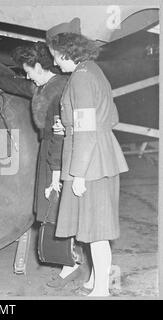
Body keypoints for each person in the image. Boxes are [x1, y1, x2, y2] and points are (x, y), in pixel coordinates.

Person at [0, 42, 84, 287]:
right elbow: (22, 86)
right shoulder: (45, 85)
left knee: (55, 206)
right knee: (51, 207)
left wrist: (55, 173)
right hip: (50, 148)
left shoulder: (60, 90)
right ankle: (70, 259)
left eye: (29, 70)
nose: (27, 75)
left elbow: (60, 134)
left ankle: (70, 265)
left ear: (40, 66)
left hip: (59, 151)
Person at [46, 18, 129, 296]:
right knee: (93, 228)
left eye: (57, 57)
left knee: (96, 230)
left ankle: (102, 290)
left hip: (90, 164)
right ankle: (95, 280)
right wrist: (68, 126)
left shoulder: (80, 78)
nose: (56, 64)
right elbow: (110, 118)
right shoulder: (94, 71)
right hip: (101, 156)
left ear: (68, 53)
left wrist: (78, 173)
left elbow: (87, 131)